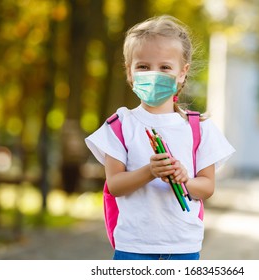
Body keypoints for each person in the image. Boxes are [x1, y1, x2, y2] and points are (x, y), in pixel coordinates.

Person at [85, 15, 235, 260]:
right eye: (143, 67)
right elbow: (115, 186)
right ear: (129, 71)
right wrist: (150, 171)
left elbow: (206, 188)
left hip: (183, 246)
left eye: (165, 67)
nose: (153, 74)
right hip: (133, 247)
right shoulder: (119, 126)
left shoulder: (200, 128)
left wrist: (185, 179)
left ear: (182, 73)